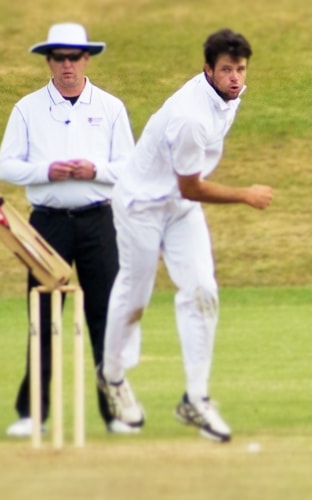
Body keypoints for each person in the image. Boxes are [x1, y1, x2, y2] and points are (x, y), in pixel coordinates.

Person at [97, 28, 273, 443]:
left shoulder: (227, 96)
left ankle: (196, 398)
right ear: (207, 70)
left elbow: (185, 193)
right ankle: (113, 376)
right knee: (135, 296)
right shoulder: (192, 117)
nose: (235, 77)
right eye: (226, 70)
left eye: (241, 69)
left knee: (202, 291)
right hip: (141, 205)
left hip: (178, 207)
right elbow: (192, 186)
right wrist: (245, 195)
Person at [0, 22, 137, 437]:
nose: (68, 65)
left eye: (75, 57)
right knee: (43, 316)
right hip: (47, 224)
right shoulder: (28, 108)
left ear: (86, 59)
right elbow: (6, 165)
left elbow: (130, 167)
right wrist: (46, 171)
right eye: (59, 58)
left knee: (105, 317)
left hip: (98, 220)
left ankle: (114, 414)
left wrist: (97, 170)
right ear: (49, 62)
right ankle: (32, 413)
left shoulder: (110, 107)